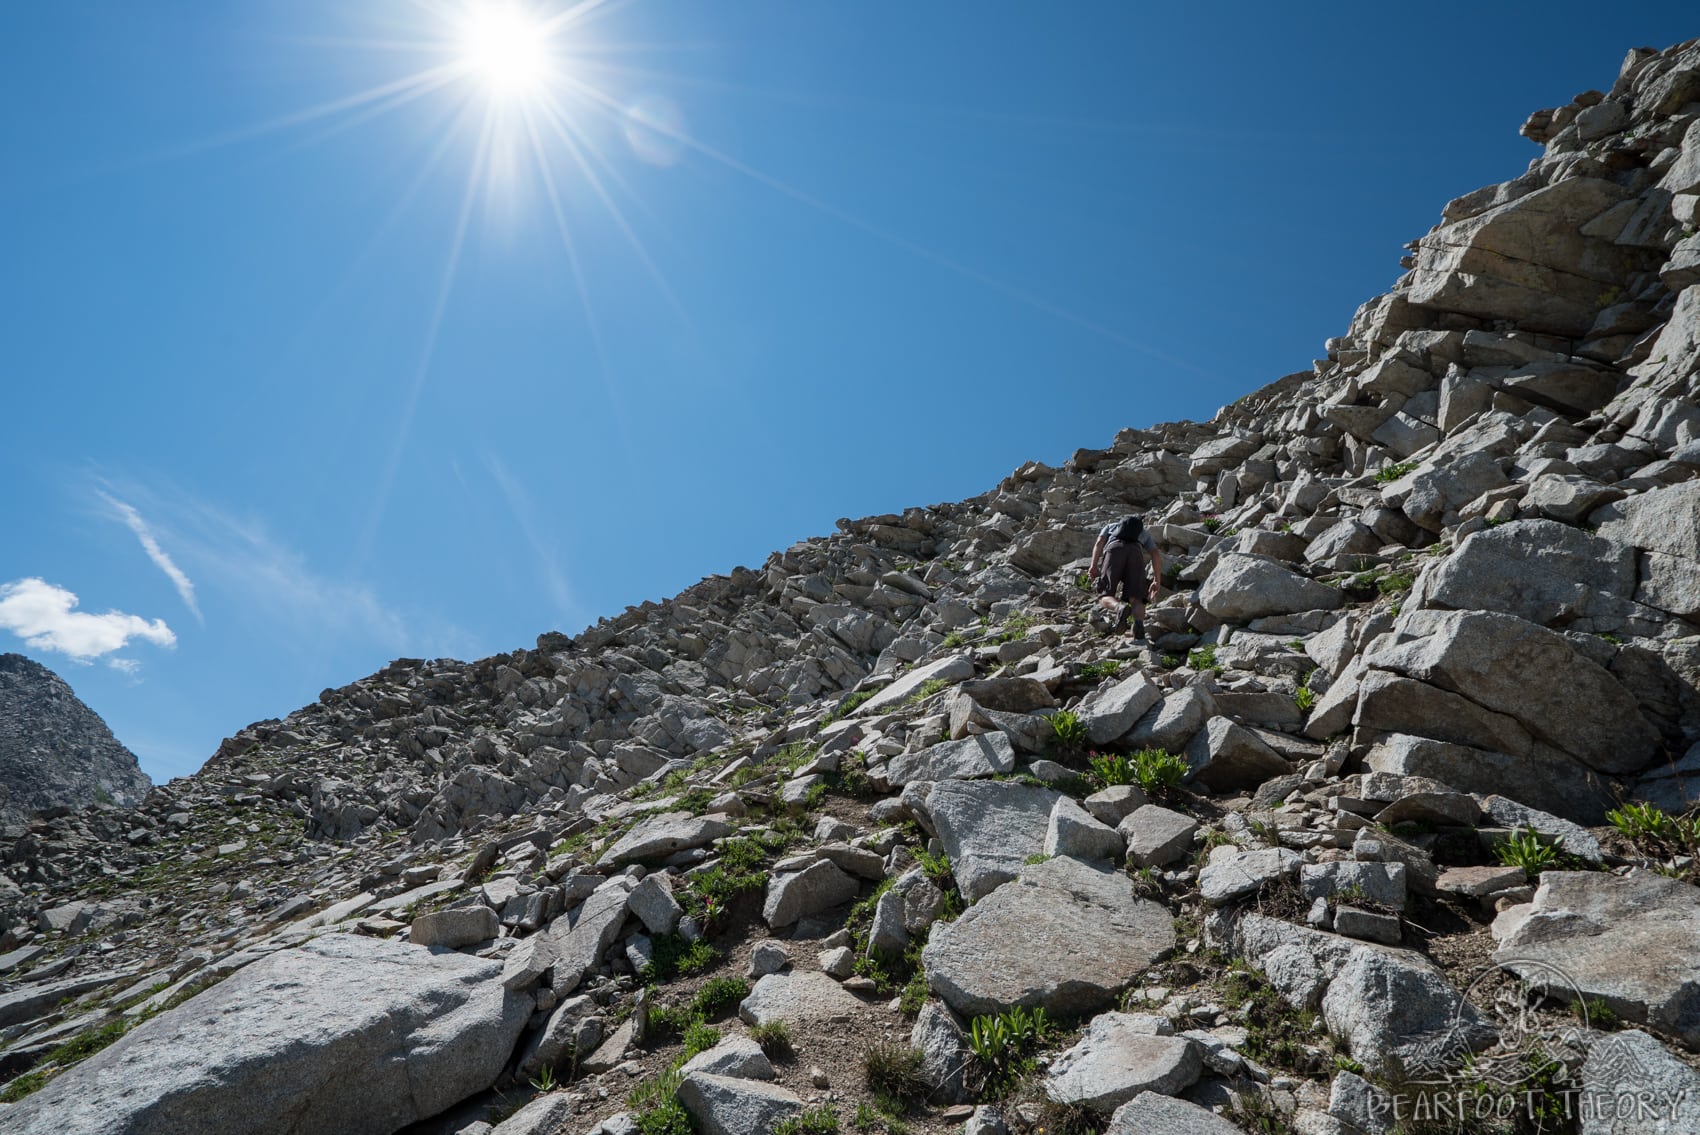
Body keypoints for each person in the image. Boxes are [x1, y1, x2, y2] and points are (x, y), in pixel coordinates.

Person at [1091, 515, 1161, 638]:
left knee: (1105, 594)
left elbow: (1099, 543)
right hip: (1135, 552)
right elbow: (1155, 553)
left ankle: (1119, 607)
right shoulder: (1143, 533)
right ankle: (1138, 625)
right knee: (1137, 598)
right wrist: (1156, 580)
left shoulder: (1111, 526)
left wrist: (1093, 566)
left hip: (1114, 550)